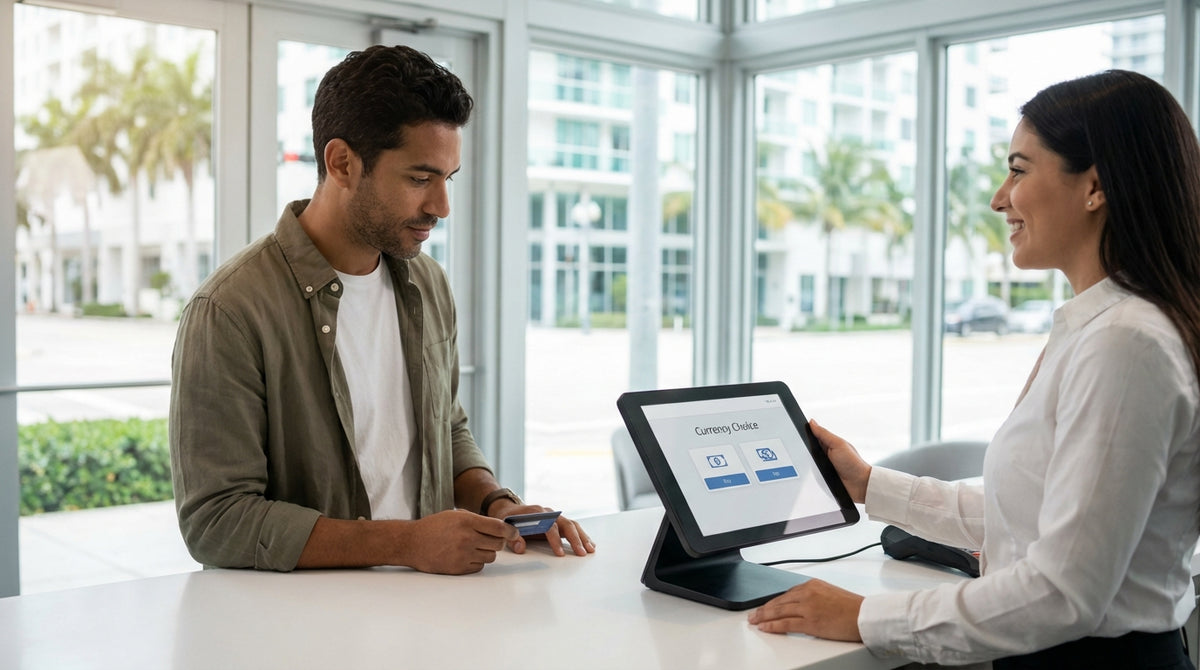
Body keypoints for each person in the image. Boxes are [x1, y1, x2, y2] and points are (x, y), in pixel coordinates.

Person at [748, 69, 1200, 669]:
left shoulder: (1125, 343)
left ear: (1095, 186)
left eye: (1018, 169)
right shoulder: (1105, 328)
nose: (998, 197)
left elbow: (1065, 593)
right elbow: (1033, 519)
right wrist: (869, 484)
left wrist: (862, 616)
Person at [169, 45, 594, 575]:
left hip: (428, 605)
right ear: (342, 163)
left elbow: (446, 426)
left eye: (448, 179)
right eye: (420, 179)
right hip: (302, 630)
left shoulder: (428, 282)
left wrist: (498, 505)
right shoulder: (230, 310)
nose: (441, 207)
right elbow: (217, 521)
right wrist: (405, 544)